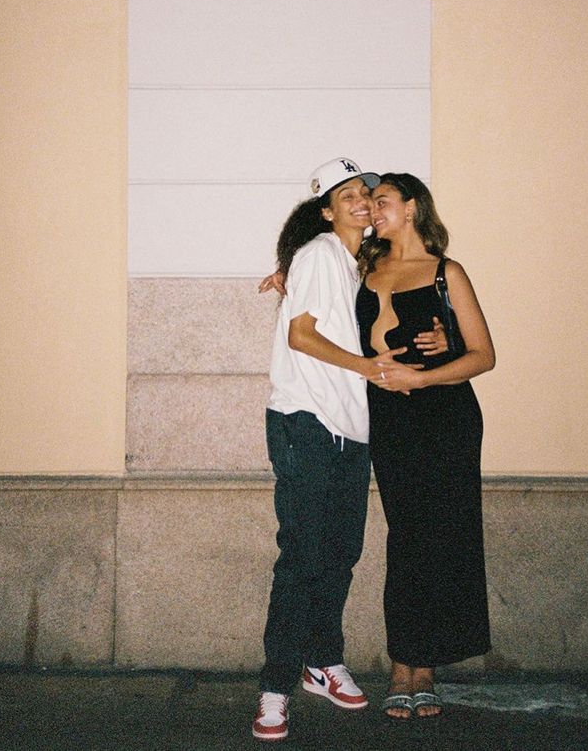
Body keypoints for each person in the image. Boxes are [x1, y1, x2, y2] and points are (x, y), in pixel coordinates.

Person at [253, 158, 445, 742]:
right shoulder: (316, 253)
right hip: (306, 423)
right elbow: (301, 335)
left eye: (366, 191)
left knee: (339, 552)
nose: (362, 199)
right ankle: (275, 687)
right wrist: (365, 366)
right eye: (348, 194)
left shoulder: (358, 264)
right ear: (326, 210)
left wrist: (439, 338)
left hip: (351, 429)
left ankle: (322, 661)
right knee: (303, 554)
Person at [355, 173, 495, 720]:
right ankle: (405, 661)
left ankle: (420, 669)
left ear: (411, 208)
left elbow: (483, 356)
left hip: (445, 418)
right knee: (407, 534)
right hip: (390, 419)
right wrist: (284, 272)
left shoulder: (445, 273)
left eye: (382, 201)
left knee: (443, 536)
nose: (372, 210)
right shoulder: (363, 269)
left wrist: (429, 374)